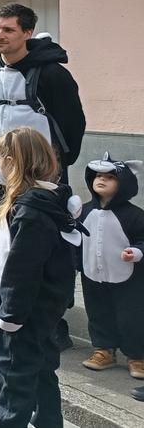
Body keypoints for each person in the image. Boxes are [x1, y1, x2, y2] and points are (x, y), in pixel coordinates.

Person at [0, 3, 84, 339]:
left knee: (42, 246)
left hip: (41, 178)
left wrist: (56, 167)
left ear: (26, 33)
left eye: (8, 30)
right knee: (5, 242)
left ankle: (53, 322)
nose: (0, 36)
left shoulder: (52, 74)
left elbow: (72, 122)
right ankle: (6, 306)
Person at [0, 127, 81, 428]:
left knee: (12, 376)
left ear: (12, 162)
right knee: (40, 370)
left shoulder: (30, 210)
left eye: (0, 160)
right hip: (38, 306)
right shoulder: (46, 202)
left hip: (21, 309)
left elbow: (23, 267)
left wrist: (11, 314)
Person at [76, 154, 144, 379]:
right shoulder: (84, 212)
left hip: (127, 277)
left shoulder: (134, 216)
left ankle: (136, 355)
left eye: (109, 177)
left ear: (124, 185)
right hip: (92, 274)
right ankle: (103, 349)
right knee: (98, 312)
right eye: (97, 176)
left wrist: (135, 252)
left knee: (130, 315)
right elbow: (76, 238)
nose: (101, 180)